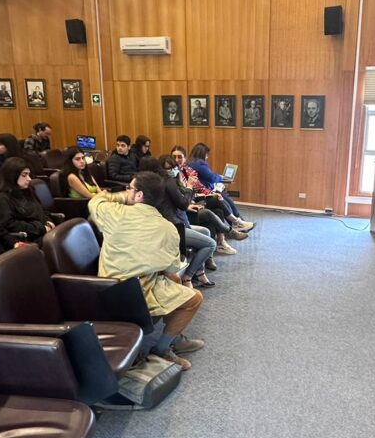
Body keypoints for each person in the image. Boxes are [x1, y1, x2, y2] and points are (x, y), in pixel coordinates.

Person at [89, 171, 204, 370]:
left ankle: (173, 340)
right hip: (139, 291)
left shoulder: (113, 213)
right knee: (194, 297)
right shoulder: (168, 229)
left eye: (130, 188)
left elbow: (94, 201)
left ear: (139, 195)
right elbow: (172, 266)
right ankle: (162, 348)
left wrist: (121, 196)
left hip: (110, 290)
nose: (127, 192)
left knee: (174, 281)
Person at [140, 157, 217, 288]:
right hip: (173, 227)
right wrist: (189, 187)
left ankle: (200, 273)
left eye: (173, 167)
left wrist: (186, 187)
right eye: (168, 168)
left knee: (206, 231)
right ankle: (188, 276)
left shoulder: (154, 184)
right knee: (210, 244)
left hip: (172, 223)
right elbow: (182, 204)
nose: (172, 170)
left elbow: (182, 203)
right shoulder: (167, 182)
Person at [0, 158, 54, 249]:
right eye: (24, 175)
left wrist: (48, 221)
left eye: (29, 175)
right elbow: (8, 225)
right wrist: (40, 228)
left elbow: (41, 210)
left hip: (41, 232)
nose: (29, 179)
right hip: (26, 239)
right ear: (12, 176)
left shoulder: (28, 190)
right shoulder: (1, 198)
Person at [187, 142, 253, 231]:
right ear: (203, 154)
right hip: (201, 194)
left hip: (202, 192)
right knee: (222, 198)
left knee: (224, 199)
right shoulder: (199, 164)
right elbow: (211, 178)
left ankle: (238, 223)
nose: (207, 157)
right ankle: (238, 222)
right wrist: (219, 177)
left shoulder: (191, 163)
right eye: (206, 155)